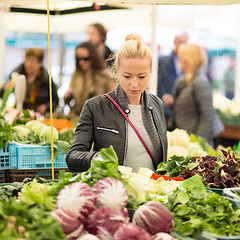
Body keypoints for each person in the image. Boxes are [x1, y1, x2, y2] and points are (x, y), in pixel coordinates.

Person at [66, 34, 168, 173]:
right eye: (127, 76)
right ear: (117, 70)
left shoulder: (157, 105)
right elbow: (73, 157)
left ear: (150, 72)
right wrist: (101, 159)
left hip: (152, 191)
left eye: (141, 76)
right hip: (114, 190)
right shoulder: (96, 106)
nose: (134, 84)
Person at [162, 43, 224, 144]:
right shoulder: (184, 80)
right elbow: (188, 107)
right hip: (187, 138)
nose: (178, 60)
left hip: (195, 140)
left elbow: (207, 114)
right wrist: (172, 103)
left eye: (181, 58)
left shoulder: (200, 82)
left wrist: (198, 142)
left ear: (188, 60)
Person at [63, 41, 116, 117]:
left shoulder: (105, 76)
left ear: (93, 58)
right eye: (78, 59)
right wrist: (67, 96)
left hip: (98, 118)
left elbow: (113, 101)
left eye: (85, 59)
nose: (81, 62)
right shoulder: (76, 75)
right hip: (78, 118)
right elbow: (68, 97)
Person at [0, 47, 59, 114]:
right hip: (20, 114)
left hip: (39, 116)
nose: (28, 64)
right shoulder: (17, 74)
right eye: (27, 60)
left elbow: (56, 101)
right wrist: (5, 88)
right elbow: (1, 94)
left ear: (40, 63)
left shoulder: (46, 78)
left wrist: (46, 106)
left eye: (32, 61)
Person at [157, 32, 188, 129]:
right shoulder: (163, 60)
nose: (182, 45)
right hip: (163, 110)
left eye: (185, 42)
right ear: (175, 42)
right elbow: (157, 84)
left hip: (179, 113)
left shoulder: (189, 63)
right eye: (180, 42)